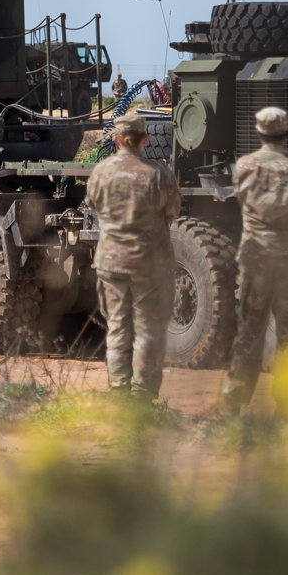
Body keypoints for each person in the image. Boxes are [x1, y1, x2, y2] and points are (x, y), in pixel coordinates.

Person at [220, 107, 288, 417]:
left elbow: (243, 203)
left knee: (250, 331)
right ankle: (284, 405)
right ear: (285, 133)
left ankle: (235, 403)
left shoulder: (243, 167)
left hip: (256, 260)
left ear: (258, 132)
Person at [83, 109, 182, 399]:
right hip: (148, 264)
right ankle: (141, 397)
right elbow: (173, 211)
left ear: (116, 140)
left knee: (117, 328)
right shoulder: (159, 174)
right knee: (147, 330)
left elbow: (93, 205)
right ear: (145, 139)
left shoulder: (101, 172)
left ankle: (117, 394)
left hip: (111, 263)